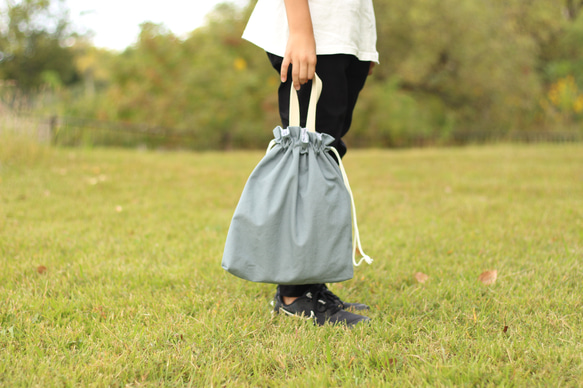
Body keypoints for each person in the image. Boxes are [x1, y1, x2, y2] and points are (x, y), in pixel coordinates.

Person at [242, 0, 378, 326]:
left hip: (343, 33)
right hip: (312, 29)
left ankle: (309, 283)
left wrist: (363, 41)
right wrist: (301, 31)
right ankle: (293, 293)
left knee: (326, 155)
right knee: (305, 158)